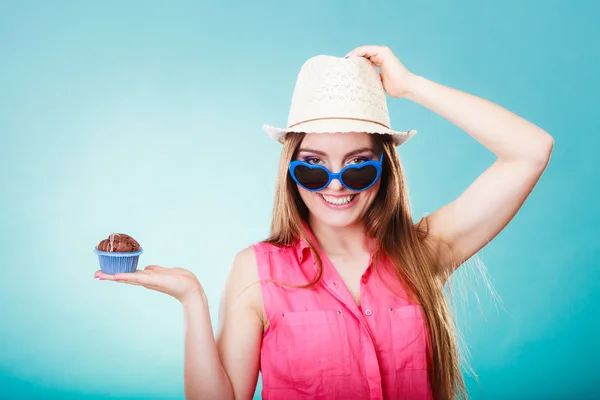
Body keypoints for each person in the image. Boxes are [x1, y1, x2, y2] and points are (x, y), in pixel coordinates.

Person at [95, 46, 554, 400]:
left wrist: (410, 85)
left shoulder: (424, 253)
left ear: (385, 170)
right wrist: (192, 299)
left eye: (358, 166)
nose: (336, 185)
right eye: (314, 166)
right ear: (291, 172)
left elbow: (530, 150)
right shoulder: (256, 271)